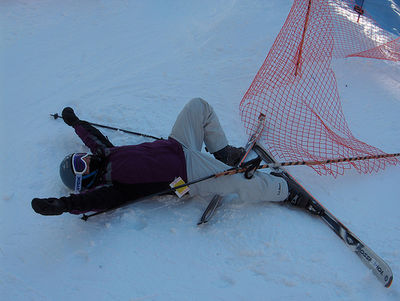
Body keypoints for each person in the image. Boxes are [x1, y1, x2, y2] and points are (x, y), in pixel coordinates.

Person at [32, 98, 291, 216]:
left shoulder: (103, 154)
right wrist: (65, 205)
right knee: (238, 180)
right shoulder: (112, 188)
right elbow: (91, 201)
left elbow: (92, 137)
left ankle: (222, 154)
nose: (85, 158)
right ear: (84, 180)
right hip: (189, 176)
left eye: (80, 156)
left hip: (177, 145)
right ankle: (283, 190)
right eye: (80, 165)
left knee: (198, 107)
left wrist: (75, 122)